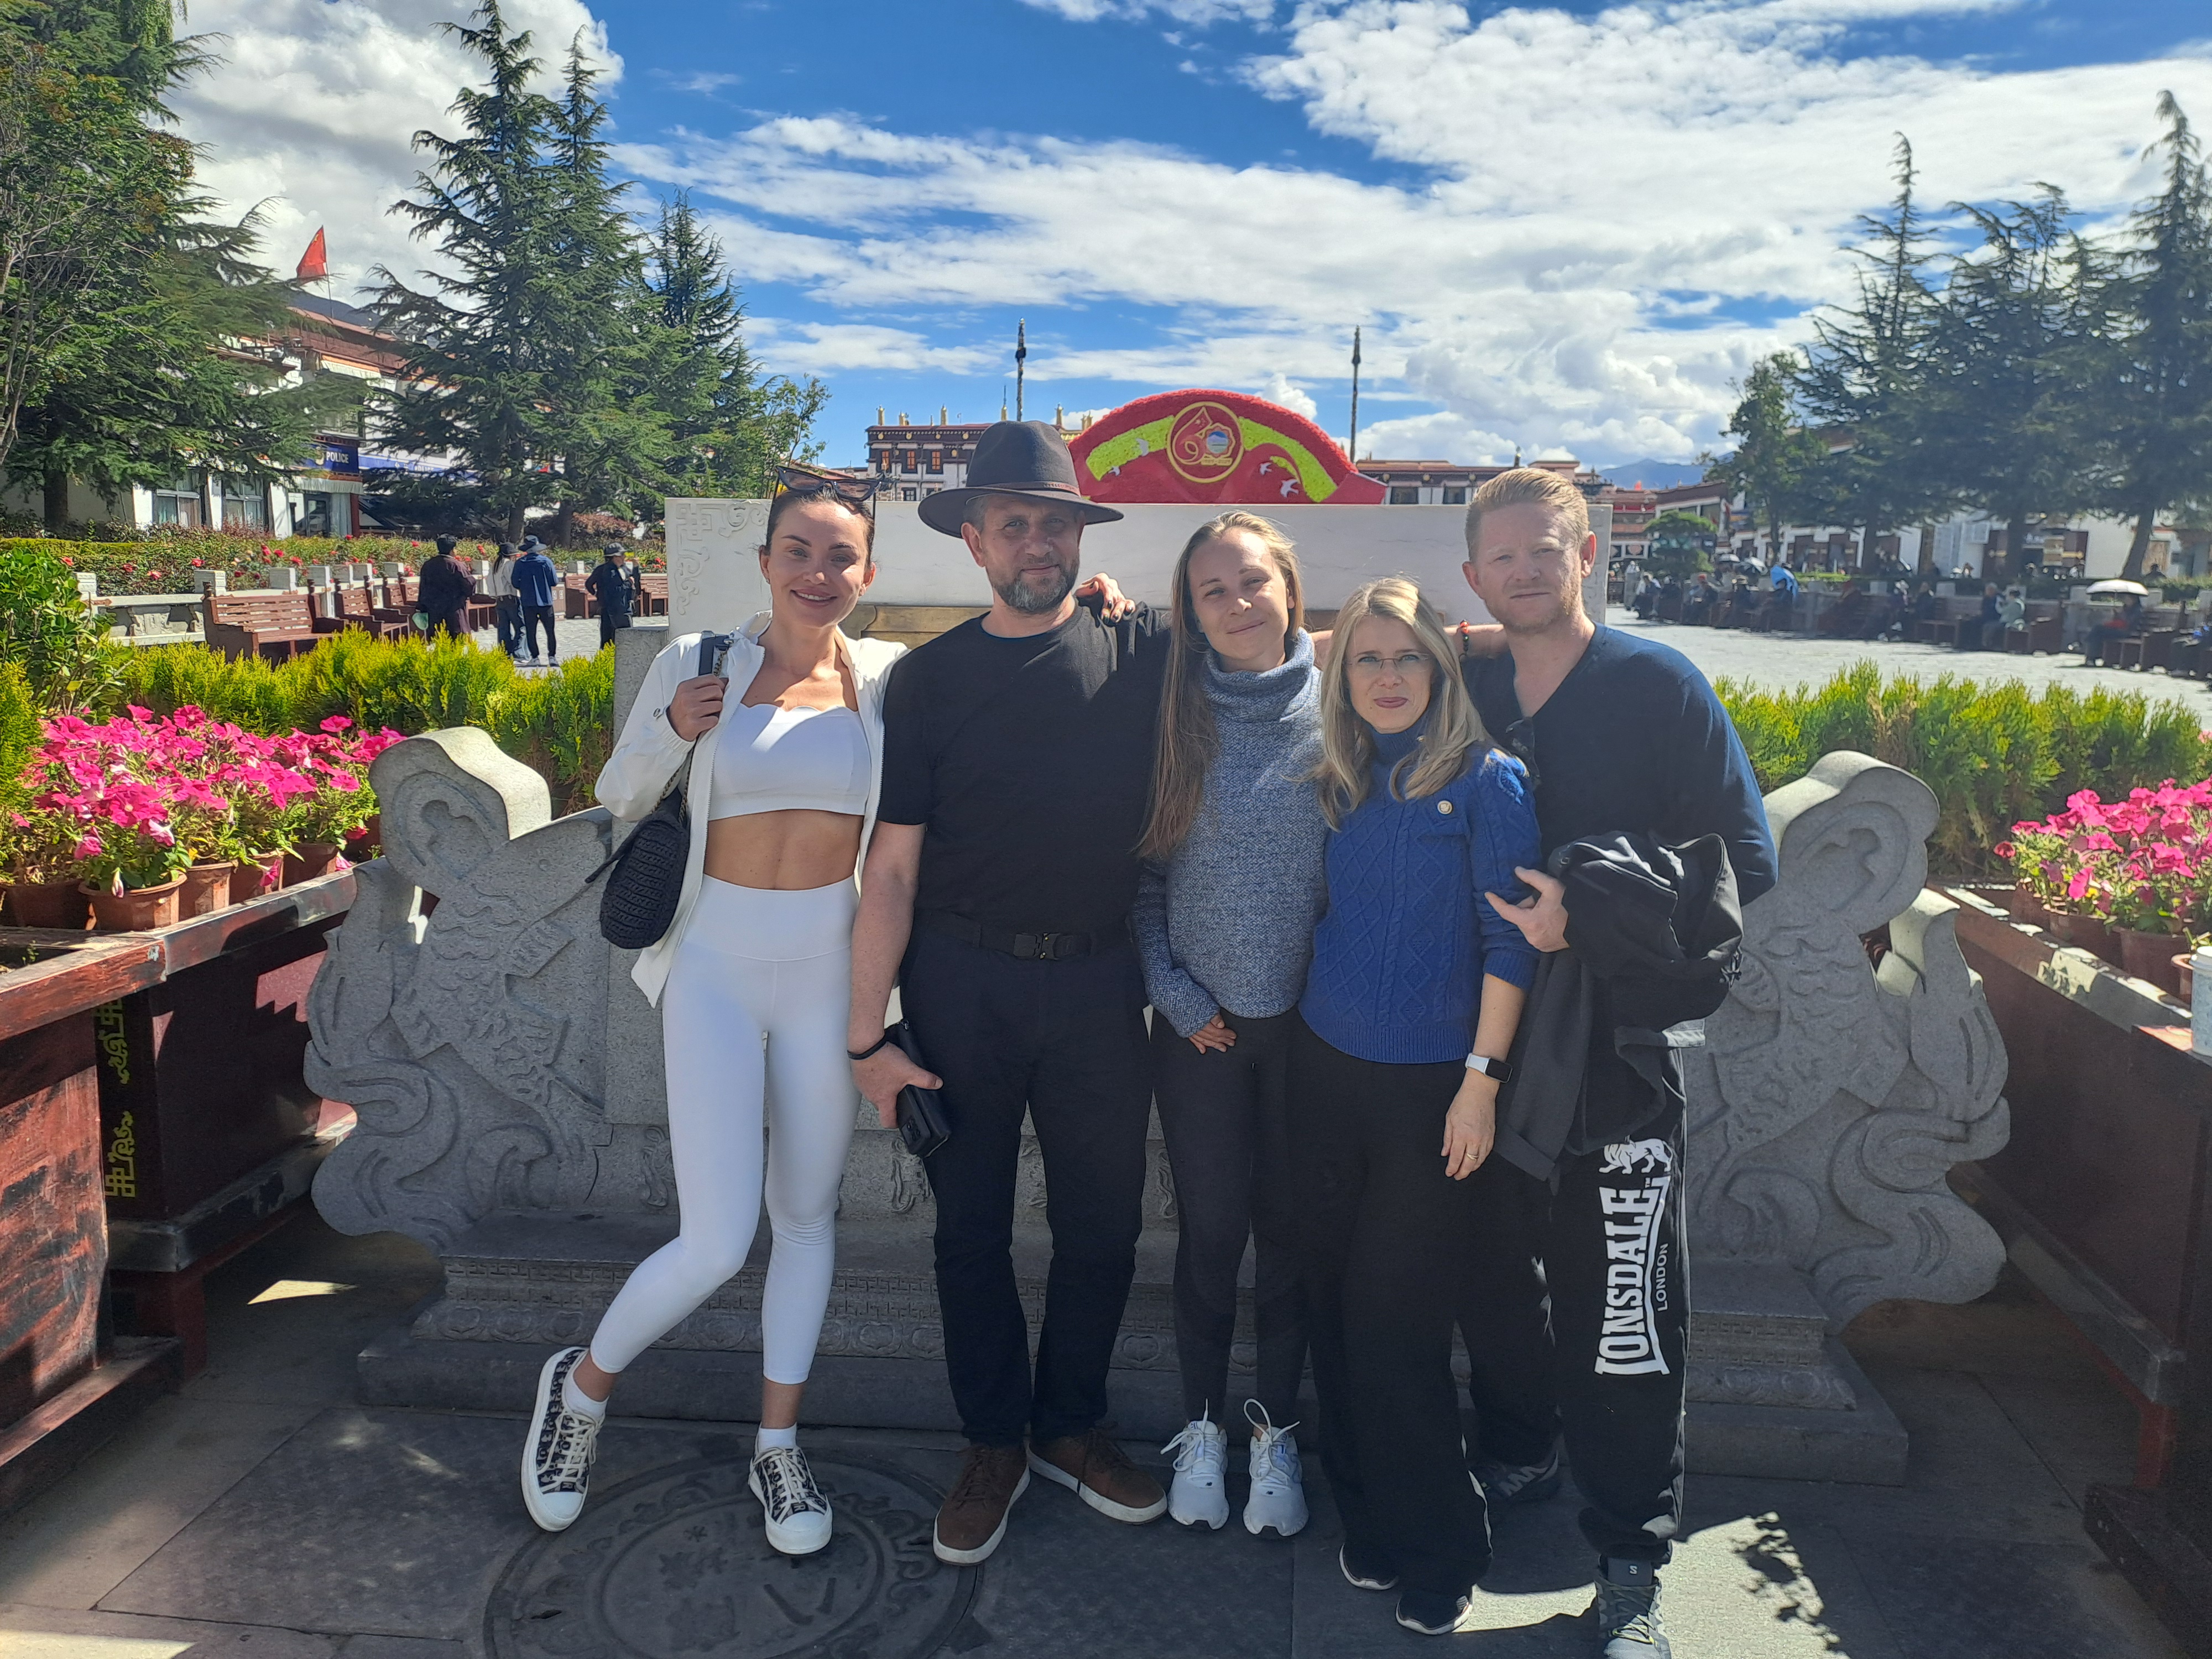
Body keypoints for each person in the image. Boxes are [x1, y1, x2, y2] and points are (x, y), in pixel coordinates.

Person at [518, 471, 903, 1555]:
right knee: (716, 1240)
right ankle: (580, 1392)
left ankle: (777, 1447)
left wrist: (1107, 610)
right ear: (767, 562)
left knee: (807, 1219)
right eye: (799, 551)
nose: (818, 573)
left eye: (839, 555)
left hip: (829, 970)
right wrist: (672, 731)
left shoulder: (885, 680)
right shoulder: (701, 663)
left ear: (867, 572)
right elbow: (619, 793)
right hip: (716, 968)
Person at [1456, 467, 1776, 1659]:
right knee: (1489, 1272)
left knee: (1625, 1305)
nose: (1524, 571)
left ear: (1587, 554)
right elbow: (1308, 651)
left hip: (1615, 1051)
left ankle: (1631, 1556)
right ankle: (1520, 1449)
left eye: (1544, 549)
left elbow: (1746, 864)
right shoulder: (1465, 681)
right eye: (1502, 556)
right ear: (1473, 575)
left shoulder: (1657, 685)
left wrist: (1585, 920)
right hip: (1472, 1047)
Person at [846, 420, 1172, 1567]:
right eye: (1016, 523)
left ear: (1082, 539)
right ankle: (992, 1442)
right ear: (976, 542)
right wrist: (866, 1040)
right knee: (970, 1231)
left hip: (1099, 981)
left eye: (1056, 524)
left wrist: (1482, 637)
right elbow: (891, 868)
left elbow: (1283, 639)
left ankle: (1069, 1426)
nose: (1039, 542)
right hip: (960, 984)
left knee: (1103, 1225)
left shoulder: (1139, 648)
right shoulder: (927, 683)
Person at [1290, 576, 1539, 1639]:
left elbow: (1511, 943)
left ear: (1441, 670)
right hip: (1323, 1074)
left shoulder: (1489, 780)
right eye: (1367, 658)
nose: (1388, 677)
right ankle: (1372, 1520)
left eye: (1408, 658)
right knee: (1332, 1312)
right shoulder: (1341, 776)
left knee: (1397, 1324)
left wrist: (1481, 1083)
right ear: (1342, 673)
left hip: (1436, 1090)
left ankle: (1441, 1544)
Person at [1133, 512, 1322, 1539]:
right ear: (1192, 613)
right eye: (1214, 590)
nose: (1238, 602)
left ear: (1288, 587)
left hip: (1313, 1036)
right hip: (1199, 1030)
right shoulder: (1172, 715)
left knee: (1290, 1237)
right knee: (1211, 1235)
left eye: (1253, 581)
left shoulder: (1347, 707)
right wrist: (1177, 994)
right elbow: (1142, 878)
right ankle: (1203, 1426)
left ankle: (1276, 1434)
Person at [416, 534, 474, 640]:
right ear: (452, 550)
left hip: (434, 609)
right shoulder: (456, 565)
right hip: (453, 609)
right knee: (455, 640)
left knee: (438, 640)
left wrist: (422, 606)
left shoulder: (428, 565)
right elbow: (469, 584)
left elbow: (423, 587)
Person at [513, 536, 559, 664]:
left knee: (531, 631)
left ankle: (535, 658)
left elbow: (515, 582)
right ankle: (552, 657)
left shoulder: (520, 563)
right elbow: (554, 581)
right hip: (546, 601)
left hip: (528, 601)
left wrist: (525, 587)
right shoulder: (546, 562)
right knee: (550, 631)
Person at [586, 544, 634, 649]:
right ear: (615, 557)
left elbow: (589, 584)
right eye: (622, 555)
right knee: (623, 637)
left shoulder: (622, 568)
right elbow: (617, 589)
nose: (624, 557)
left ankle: (608, 653)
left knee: (608, 636)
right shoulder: (610, 571)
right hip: (617, 609)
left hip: (610, 606)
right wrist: (629, 584)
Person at [486, 541, 520, 658]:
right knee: (521, 627)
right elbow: (513, 581)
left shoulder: (494, 566)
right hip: (510, 598)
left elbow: (489, 582)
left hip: (499, 599)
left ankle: (504, 652)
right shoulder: (508, 564)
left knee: (503, 628)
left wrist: (493, 594)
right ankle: (519, 653)